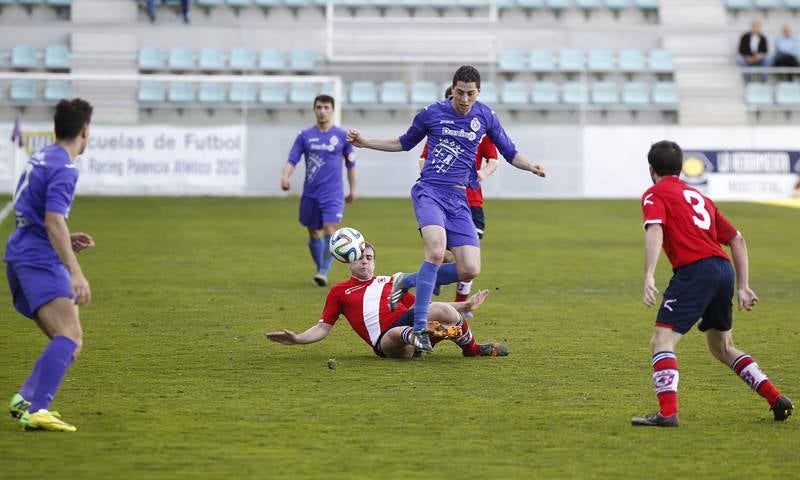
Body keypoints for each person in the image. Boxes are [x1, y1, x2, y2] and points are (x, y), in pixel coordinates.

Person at [346, 65, 545, 353]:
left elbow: (510, 152)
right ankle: (419, 328)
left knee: (469, 269)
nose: (464, 99)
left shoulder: (486, 116)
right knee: (437, 253)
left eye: (470, 94)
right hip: (429, 192)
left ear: (478, 92)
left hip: (459, 198)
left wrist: (532, 166)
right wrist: (365, 142)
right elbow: (403, 142)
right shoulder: (432, 113)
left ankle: (407, 281)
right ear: (452, 90)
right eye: (460, 92)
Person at [631, 140, 793, 427]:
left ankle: (668, 413)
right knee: (722, 347)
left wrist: (648, 275)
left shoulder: (654, 193)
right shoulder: (699, 197)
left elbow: (655, 229)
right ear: (681, 169)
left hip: (696, 271)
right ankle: (775, 397)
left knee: (661, 341)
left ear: (651, 169)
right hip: (722, 270)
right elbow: (736, 239)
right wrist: (743, 286)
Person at [5, 98, 95, 432]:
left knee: (67, 340)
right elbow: (53, 219)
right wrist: (75, 272)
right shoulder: (65, 169)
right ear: (85, 132)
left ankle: (26, 399)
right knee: (70, 337)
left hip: (20, 251)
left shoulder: (42, 156)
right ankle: (38, 408)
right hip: (38, 259)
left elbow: (38, 215)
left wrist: (66, 241)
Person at [265, 243, 508, 359]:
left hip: (410, 325)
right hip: (387, 342)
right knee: (396, 333)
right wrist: (297, 339)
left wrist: (465, 306)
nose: (365, 261)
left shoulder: (391, 282)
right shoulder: (339, 291)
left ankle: (471, 349)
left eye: (369, 257)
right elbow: (322, 328)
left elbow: (420, 306)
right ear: (348, 262)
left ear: (374, 262)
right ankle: (432, 333)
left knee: (440, 308)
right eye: (359, 257)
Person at [419, 86, 500, 307]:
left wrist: (483, 173)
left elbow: (494, 160)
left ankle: (461, 303)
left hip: (472, 202)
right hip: (441, 198)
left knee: (469, 259)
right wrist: (431, 176)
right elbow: (423, 158)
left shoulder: (479, 131)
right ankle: (431, 281)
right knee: (443, 254)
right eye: (452, 100)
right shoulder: (440, 131)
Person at [281, 94, 357, 287]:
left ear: (332, 110)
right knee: (314, 232)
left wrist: (353, 190)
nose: (322, 111)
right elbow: (292, 159)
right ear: (314, 110)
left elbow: (351, 165)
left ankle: (323, 271)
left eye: (326, 107)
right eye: (319, 107)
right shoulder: (305, 135)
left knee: (331, 229)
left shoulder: (342, 136)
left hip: (333, 193)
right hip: (311, 193)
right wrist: (285, 176)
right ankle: (321, 268)